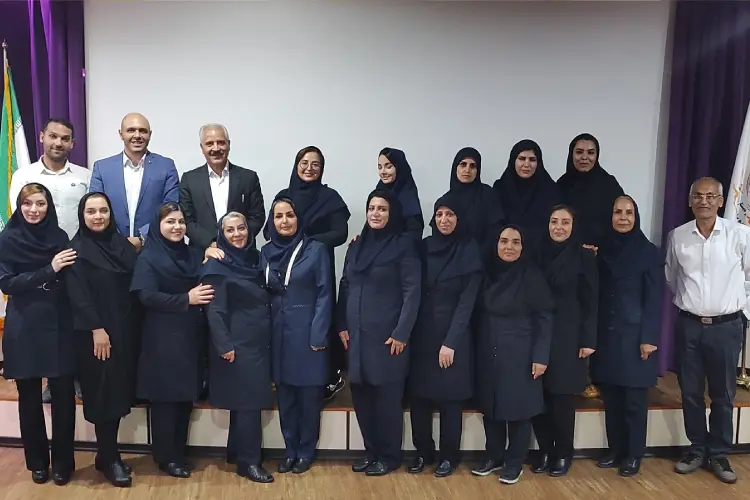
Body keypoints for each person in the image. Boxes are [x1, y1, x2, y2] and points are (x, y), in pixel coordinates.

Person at [665, 177, 749, 484]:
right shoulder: (678, 236)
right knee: (690, 392)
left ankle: (719, 453)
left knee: (723, 394)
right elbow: (672, 278)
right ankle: (697, 449)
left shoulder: (740, 235)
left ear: (721, 201)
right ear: (690, 202)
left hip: (726, 328)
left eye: (710, 196)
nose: (704, 201)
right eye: (698, 196)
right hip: (689, 326)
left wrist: (739, 312)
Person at [337, 190, 421, 476]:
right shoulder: (356, 246)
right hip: (356, 337)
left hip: (388, 338)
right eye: (371, 208)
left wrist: (402, 332)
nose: (375, 213)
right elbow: (345, 285)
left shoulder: (404, 245)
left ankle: (389, 456)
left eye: (382, 209)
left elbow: (412, 292)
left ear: (392, 213)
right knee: (361, 397)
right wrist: (341, 324)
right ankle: (371, 452)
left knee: (386, 401)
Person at [0, 183, 77, 485]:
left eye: (41, 203)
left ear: (49, 206)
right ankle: (37, 463)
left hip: (58, 322)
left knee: (63, 396)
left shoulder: (59, 237)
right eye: (27, 203)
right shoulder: (7, 239)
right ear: (19, 207)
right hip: (24, 324)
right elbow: (8, 284)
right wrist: (49, 270)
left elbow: (70, 279)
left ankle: (63, 463)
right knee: (29, 397)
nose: (34, 209)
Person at [9, 117, 89, 403]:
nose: (58, 142)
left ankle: (73, 376)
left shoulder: (85, 176)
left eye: (65, 138)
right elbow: (21, 216)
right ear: (42, 136)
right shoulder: (24, 175)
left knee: (73, 322)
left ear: (72, 143)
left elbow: (90, 214)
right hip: (35, 263)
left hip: (75, 259)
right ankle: (48, 380)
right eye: (53, 136)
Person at [262, 146, 350, 401]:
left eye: (316, 164)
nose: (309, 168)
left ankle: (325, 379)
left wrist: (306, 244)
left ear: (322, 169)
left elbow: (340, 233)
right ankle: (284, 379)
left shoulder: (330, 197)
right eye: (304, 162)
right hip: (282, 267)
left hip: (315, 263)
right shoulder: (284, 196)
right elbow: (268, 231)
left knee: (320, 318)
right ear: (296, 164)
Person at [130, 202, 210, 478]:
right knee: (165, 400)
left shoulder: (192, 253)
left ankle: (179, 452)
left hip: (189, 336)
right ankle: (166, 457)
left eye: (180, 222)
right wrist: (186, 299)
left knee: (185, 397)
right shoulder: (148, 257)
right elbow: (146, 296)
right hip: (162, 338)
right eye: (170, 222)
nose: (177, 227)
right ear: (158, 225)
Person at [471, 225, 554, 485]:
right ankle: (493, 456)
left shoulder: (532, 275)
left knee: (519, 410)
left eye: (516, 242)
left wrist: (540, 356)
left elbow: (545, 317)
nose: (509, 247)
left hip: (521, 352)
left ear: (523, 247)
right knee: (491, 407)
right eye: (504, 241)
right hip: (488, 348)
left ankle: (514, 462)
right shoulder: (487, 272)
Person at [407, 192, 482, 478]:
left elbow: (467, 302)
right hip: (422, 334)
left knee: (451, 401)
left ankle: (449, 457)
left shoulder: (469, 250)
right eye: (439, 214)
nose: (444, 220)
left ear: (459, 218)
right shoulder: (424, 247)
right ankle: (423, 452)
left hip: (454, 336)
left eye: (450, 214)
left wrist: (451, 342)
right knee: (419, 399)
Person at [66, 193, 138, 487]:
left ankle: (105, 454)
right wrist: (97, 328)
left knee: (118, 393)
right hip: (95, 336)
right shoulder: (76, 250)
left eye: (103, 211)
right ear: (82, 215)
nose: (98, 216)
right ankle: (110, 458)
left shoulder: (122, 245)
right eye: (91, 211)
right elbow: (78, 295)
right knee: (103, 395)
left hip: (124, 331)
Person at [261, 196, 333, 474]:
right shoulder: (265, 252)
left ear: (298, 218)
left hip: (308, 333)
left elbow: (325, 293)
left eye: (289, 215)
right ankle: (290, 449)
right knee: (286, 398)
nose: (284, 221)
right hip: (278, 334)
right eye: (278, 216)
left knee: (308, 399)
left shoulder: (316, 250)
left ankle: (306, 451)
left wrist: (318, 334)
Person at [592, 195, 662, 478]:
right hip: (607, 336)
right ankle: (615, 450)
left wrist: (649, 338)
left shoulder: (648, 252)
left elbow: (654, 299)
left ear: (636, 217)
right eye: (617, 212)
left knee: (634, 402)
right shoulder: (602, 249)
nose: (623, 217)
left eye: (628, 212)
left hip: (635, 338)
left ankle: (634, 454)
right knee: (612, 399)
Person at [201, 212, 274, 483]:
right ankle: (249, 462)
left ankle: (236, 451)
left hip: (258, 343)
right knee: (249, 403)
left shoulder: (254, 259)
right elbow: (215, 310)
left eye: (241, 228)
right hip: (236, 345)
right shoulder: (216, 265)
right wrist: (224, 345)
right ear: (221, 234)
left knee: (243, 402)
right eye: (229, 230)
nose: (237, 234)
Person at [531, 205, 598, 477]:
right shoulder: (535, 252)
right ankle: (545, 450)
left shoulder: (584, 256)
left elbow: (591, 299)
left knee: (562, 400)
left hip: (569, 336)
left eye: (565, 222)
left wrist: (588, 339)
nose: (558, 227)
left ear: (574, 226)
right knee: (538, 397)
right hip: (537, 333)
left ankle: (563, 453)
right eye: (554, 221)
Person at [89, 113, 179, 249]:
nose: (137, 135)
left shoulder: (166, 166)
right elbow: (95, 209)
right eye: (131, 130)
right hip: (110, 247)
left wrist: (142, 237)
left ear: (150, 134)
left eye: (143, 131)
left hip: (154, 247)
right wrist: (119, 241)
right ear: (121, 134)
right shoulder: (102, 168)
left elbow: (170, 208)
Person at [180, 124, 266, 250]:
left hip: (241, 252)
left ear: (229, 145)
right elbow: (187, 220)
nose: (216, 148)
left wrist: (236, 240)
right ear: (202, 148)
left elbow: (257, 216)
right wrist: (211, 244)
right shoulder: (189, 179)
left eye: (221, 142)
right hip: (202, 253)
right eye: (209, 144)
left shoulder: (248, 178)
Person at [493, 139, 560, 253]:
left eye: (532, 160)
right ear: (513, 161)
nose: (527, 164)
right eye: (522, 159)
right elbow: (496, 224)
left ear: (538, 163)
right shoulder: (500, 188)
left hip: (542, 253)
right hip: (508, 251)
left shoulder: (551, 189)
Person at [444, 147, 503, 251]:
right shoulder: (446, 200)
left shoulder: (488, 194)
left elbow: (495, 230)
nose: (467, 170)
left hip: (483, 255)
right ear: (455, 168)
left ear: (478, 170)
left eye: (473, 166)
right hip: (452, 256)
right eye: (463, 164)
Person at [375, 147, 424, 239]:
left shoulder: (408, 196)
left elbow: (414, 236)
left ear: (399, 168)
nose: (383, 172)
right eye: (380, 167)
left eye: (388, 167)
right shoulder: (379, 191)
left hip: (400, 245)